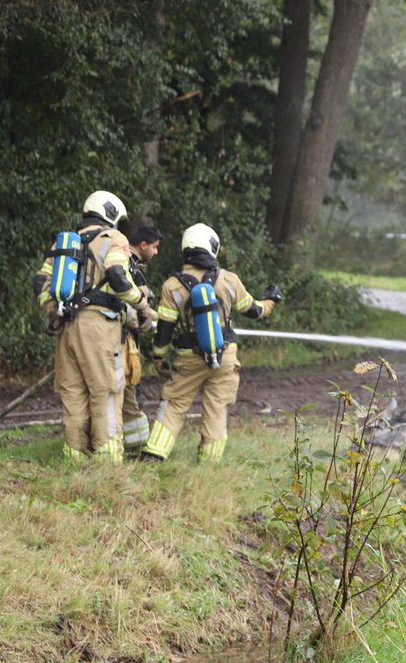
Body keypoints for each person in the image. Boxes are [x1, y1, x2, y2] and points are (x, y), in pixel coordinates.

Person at [140, 224, 280, 463]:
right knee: (217, 407)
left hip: (189, 357)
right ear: (212, 247)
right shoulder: (228, 280)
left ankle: (155, 453)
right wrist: (271, 301)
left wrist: (159, 358)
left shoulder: (172, 286)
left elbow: (164, 330)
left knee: (174, 403)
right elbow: (254, 310)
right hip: (225, 356)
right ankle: (209, 461)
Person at [34, 191, 155, 462]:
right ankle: (107, 463)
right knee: (107, 392)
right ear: (110, 214)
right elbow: (116, 274)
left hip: (66, 326)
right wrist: (142, 306)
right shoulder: (114, 239)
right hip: (100, 327)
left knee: (73, 394)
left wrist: (52, 311)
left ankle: (75, 459)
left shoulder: (66, 242)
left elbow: (41, 281)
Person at [119, 223, 163, 455]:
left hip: (125, 340)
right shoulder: (130, 267)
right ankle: (134, 447)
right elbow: (129, 309)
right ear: (143, 245)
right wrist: (146, 319)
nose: (156, 252)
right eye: (154, 247)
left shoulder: (129, 264)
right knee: (129, 394)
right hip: (123, 342)